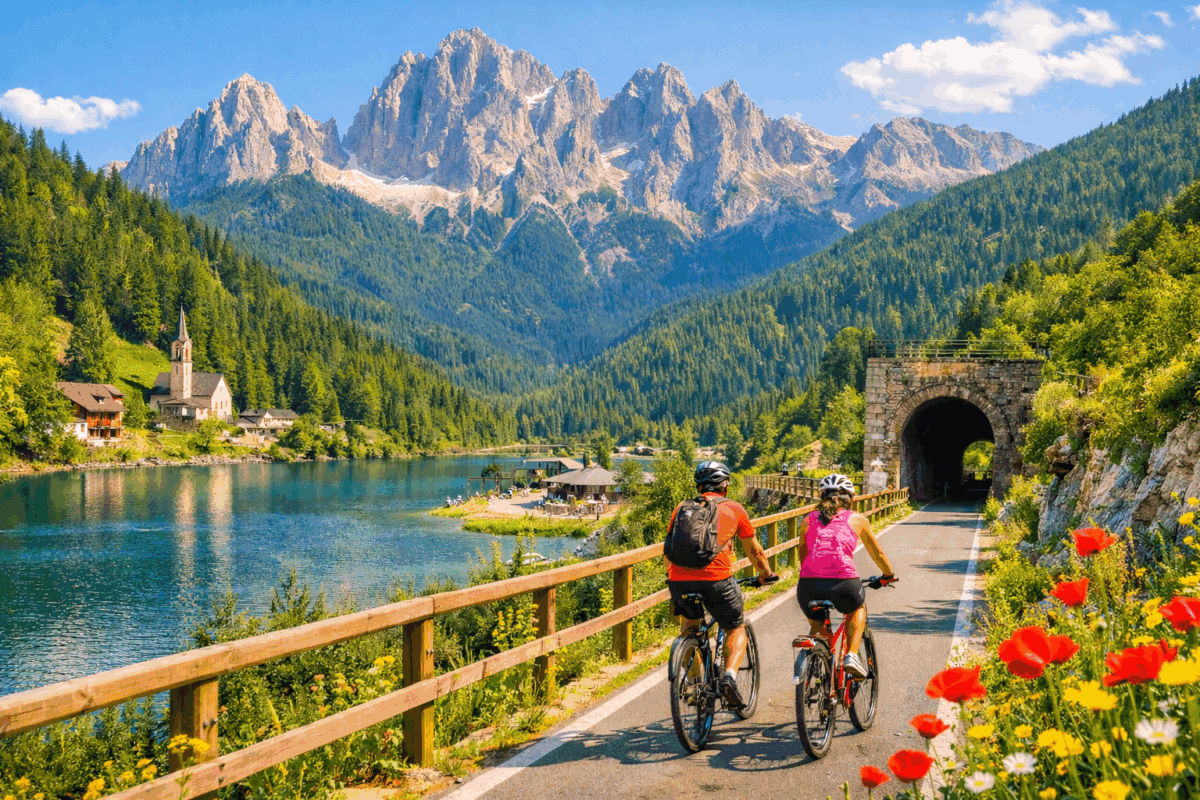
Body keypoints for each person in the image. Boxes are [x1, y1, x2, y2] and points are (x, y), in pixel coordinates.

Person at [666, 461, 776, 708]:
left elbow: (668, 549)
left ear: (699, 486)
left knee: (690, 627)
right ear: (725, 486)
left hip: (678, 581)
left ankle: (694, 683)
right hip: (716, 580)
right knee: (735, 626)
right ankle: (729, 678)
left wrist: (676, 578)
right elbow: (754, 551)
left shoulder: (681, 508)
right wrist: (766, 574)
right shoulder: (735, 509)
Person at [796, 473, 896, 678]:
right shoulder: (857, 519)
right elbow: (877, 553)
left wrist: (811, 573)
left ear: (822, 496)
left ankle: (817, 658)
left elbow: (803, 553)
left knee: (818, 624)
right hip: (843, 582)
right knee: (857, 609)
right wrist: (888, 574)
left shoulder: (808, 519)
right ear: (850, 498)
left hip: (807, 584)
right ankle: (851, 655)